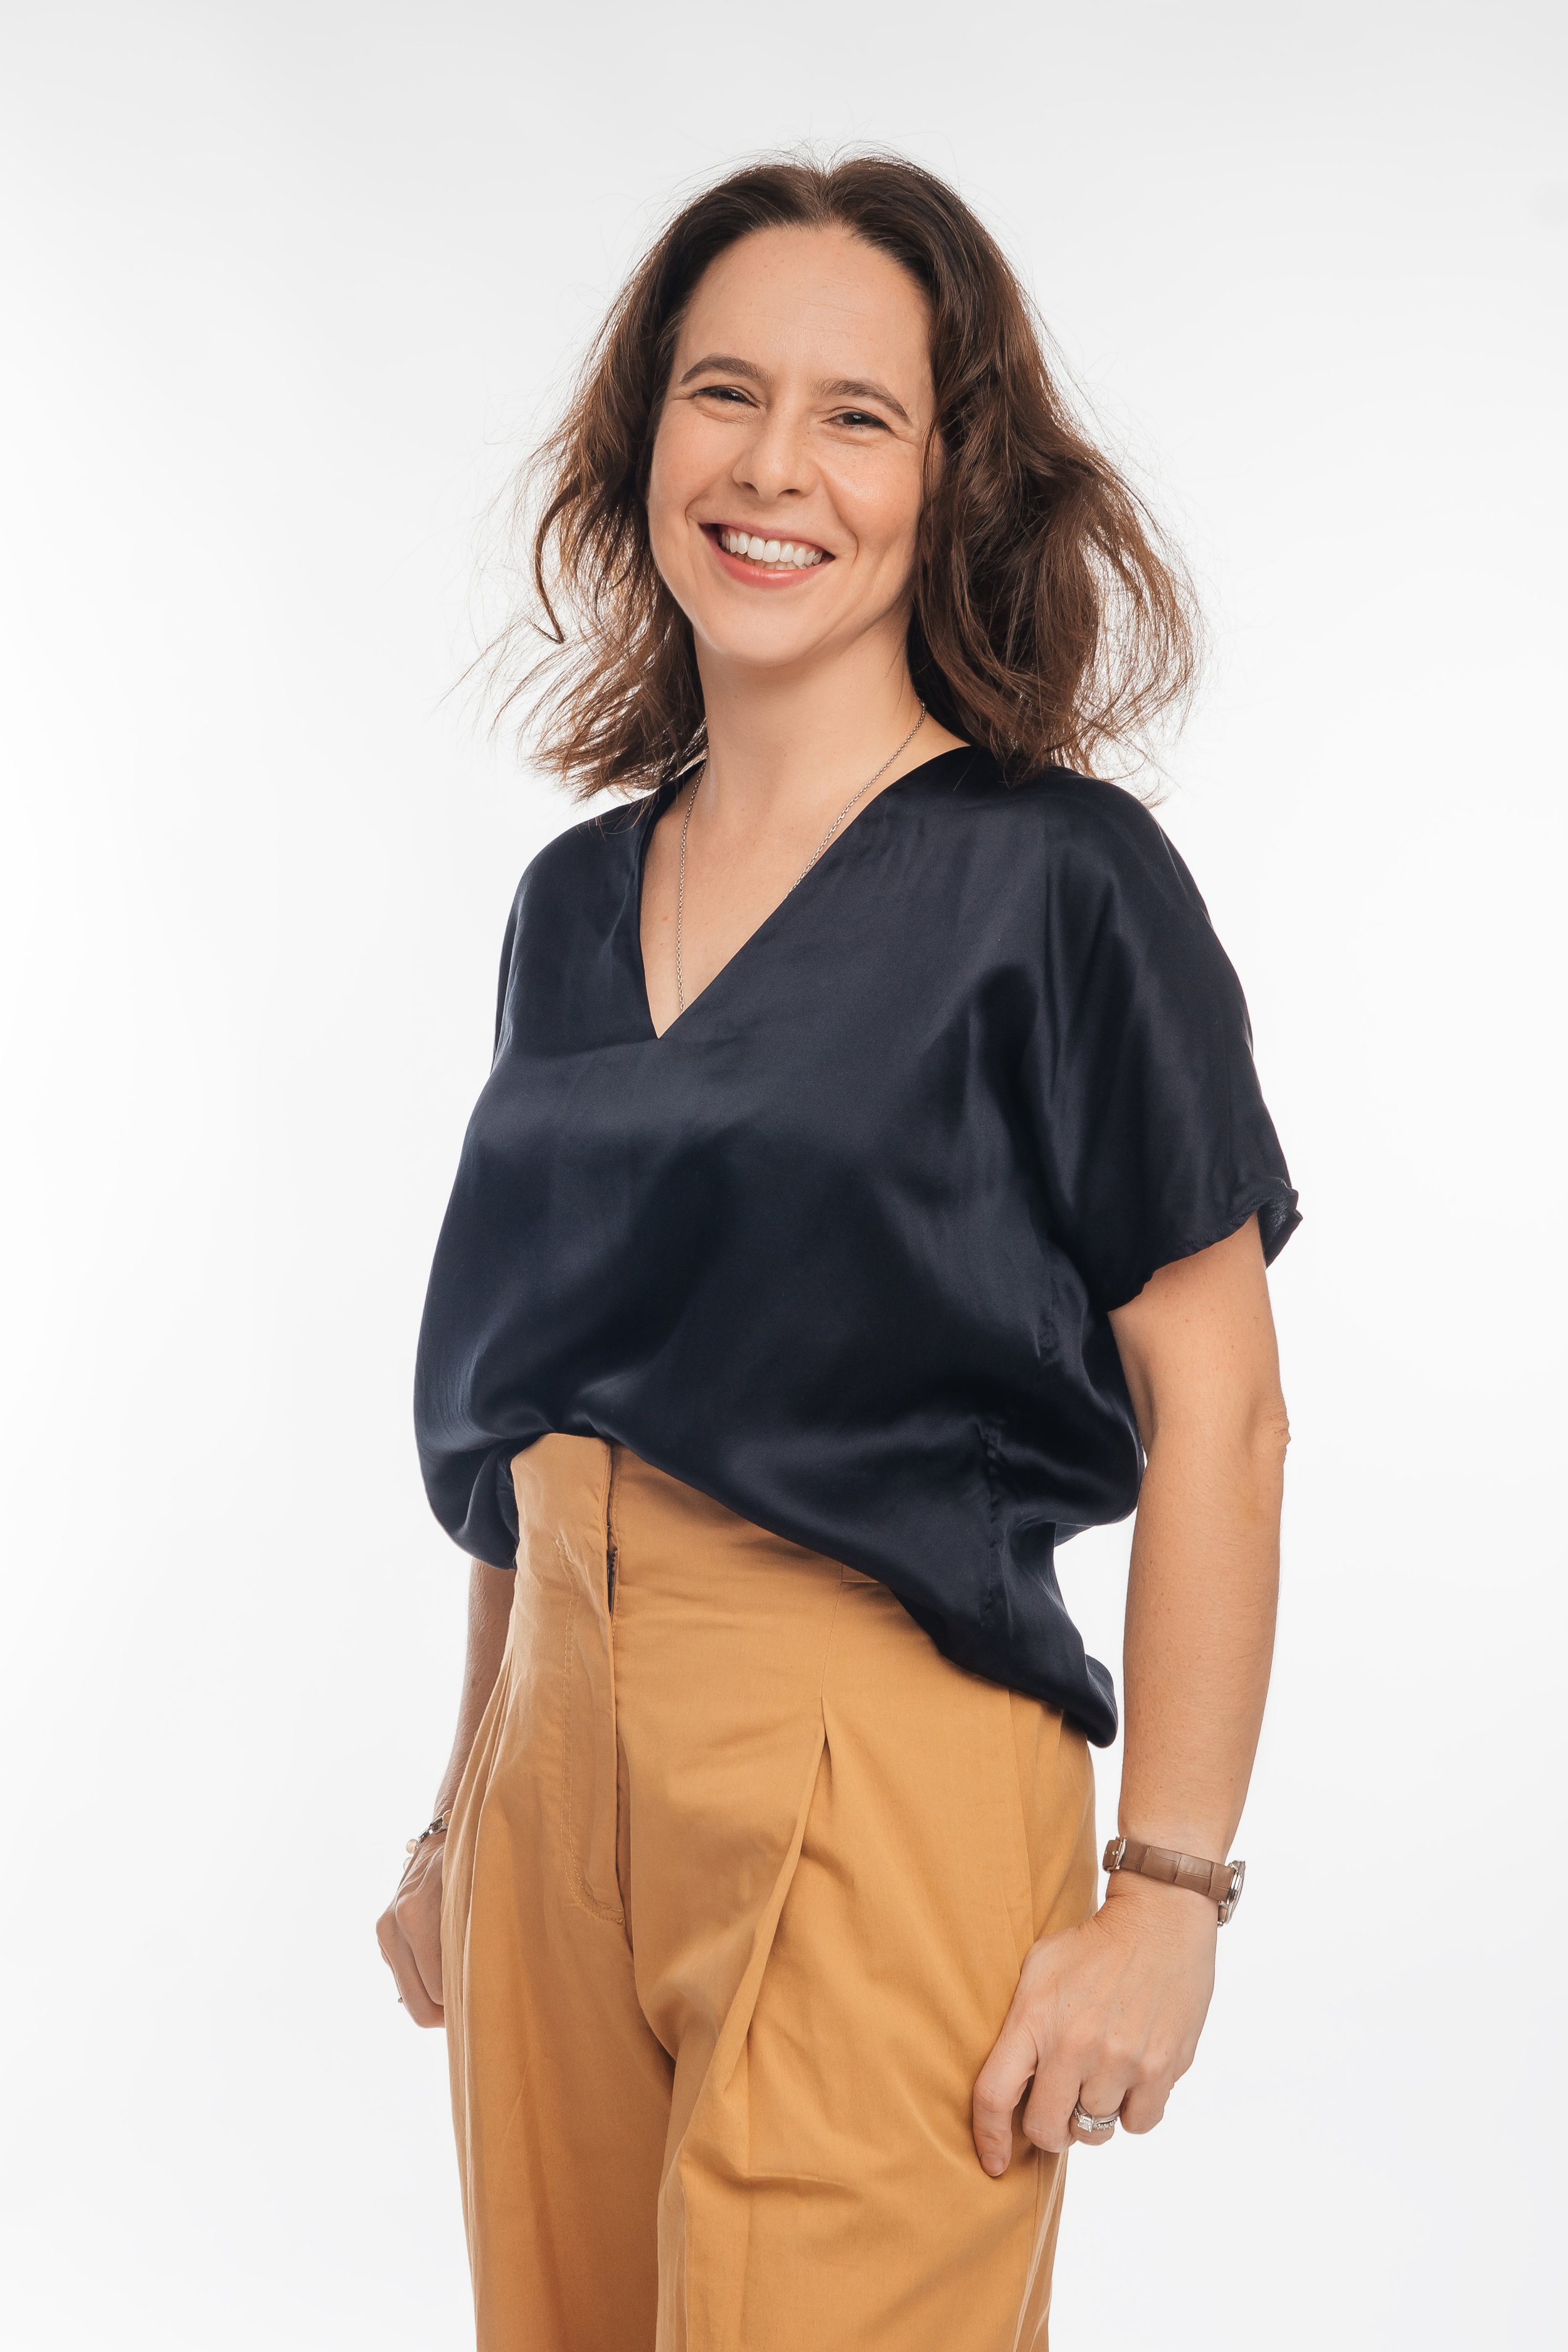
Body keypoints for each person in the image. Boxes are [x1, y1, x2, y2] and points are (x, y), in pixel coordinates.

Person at [377, 154, 1298, 2352]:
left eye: (857, 414)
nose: (773, 465)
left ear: (948, 478)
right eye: (723, 394)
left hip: (869, 1752)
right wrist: (459, 1806)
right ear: (644, 442)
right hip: (552, 1765)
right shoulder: (569, 907)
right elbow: (544, 1395)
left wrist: (1164, 1900)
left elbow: (1224, 1410)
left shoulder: (1061, 886)